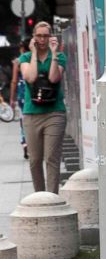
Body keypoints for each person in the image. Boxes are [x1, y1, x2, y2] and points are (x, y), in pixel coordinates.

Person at [18, 23, 67, 193]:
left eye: (45, 36)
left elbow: (54, 78)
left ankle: (52, 197)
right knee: (35, 159)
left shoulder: (60, 56)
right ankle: (39, 196)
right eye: (38, 35)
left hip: (55, 113)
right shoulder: (25, 58)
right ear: (33, 36)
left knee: (52, 157)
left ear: (50, 37)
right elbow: (30, 77)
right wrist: (33, 54)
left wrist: (53, 54)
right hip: (32, 113)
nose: (42, 39)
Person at [9, 40, 29, 159]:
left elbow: (14, 81)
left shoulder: (18, 61)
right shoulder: (34, 59)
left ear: (22, 48)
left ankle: (25, 143)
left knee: (23, 121)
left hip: (22, 95)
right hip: (33, 94)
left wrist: (12, 99)